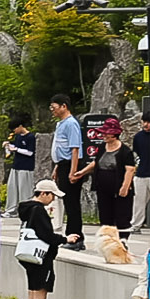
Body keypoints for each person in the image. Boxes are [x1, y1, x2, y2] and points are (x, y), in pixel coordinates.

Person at [14, 179, 62, 299]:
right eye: (52, 195)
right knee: (40, 292)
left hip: (28, 255)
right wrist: (64, 239)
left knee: (32, 290)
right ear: (43, 194)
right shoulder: (38, 210)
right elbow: (46, 235)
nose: (53, 199)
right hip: (41, 256)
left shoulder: (27, 209)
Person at [46, 95, 86, 244]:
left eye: (54, 107)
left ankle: (76, 237)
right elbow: (61, 147)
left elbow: (75, 148)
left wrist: (73, 171)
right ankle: (72, 235)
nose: (52, 111)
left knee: (72, 203)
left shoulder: (71, 124)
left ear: (64, 106)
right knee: (68, 202)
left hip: (71, 165)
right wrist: (57, 166)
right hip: (63, 164)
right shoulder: (60, 124)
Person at [90, 117, 135, 231]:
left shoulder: (125, 151)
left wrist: (125, 187)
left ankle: (122, 239)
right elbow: (96, 163)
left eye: (106, 133)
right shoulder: (101, 147)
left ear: (114, 134)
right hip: (102, 185)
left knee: (121, 215)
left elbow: (130, 169)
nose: (104, 136)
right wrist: (80, 173)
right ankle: (106, 237)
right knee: (105, 215)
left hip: (117, 184)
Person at [1, 116, 35, 216]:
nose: (14, 131)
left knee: (25, 190)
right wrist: (8, 145)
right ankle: (11, 210)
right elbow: (15, 146)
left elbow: (30, 152)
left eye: (15, 128)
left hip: (26, 167)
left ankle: (25, 210)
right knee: (12, 188)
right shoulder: (18, 137)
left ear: (20, 126)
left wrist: (16, 149)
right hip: (16, 166)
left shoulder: (30, 137)